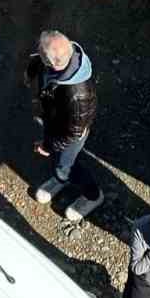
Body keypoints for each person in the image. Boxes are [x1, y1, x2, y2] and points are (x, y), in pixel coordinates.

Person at [24, 28, 102, 221]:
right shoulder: (61, 58)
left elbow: (72, 134)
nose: (37, 53)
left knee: (67, 164)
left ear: (52, 63)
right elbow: (39, 63)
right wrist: (32, 70)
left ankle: (92, 195)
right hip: (55, 122)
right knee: (61, 161)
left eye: (41, 54)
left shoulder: (78, 96)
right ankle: (60, 178)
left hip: (69, 134)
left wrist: (48, 146)